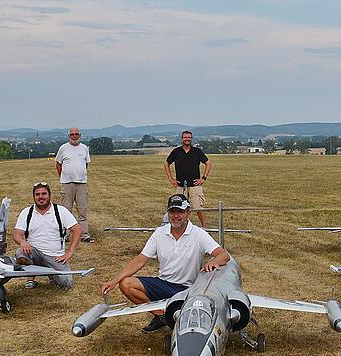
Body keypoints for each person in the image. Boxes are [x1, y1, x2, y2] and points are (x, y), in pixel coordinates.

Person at [101, 193, 230, 333]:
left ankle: (175, 314)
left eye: (180, 211)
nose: (176, 216)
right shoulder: (159, 233)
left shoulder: (199, 234)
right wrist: (114, 281)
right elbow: (140, 260)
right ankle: (163, 315)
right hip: (163, 283)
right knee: (126, 284)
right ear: (168, 213)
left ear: (188, 213)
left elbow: (223, 255)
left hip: (188, 289)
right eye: (172, 212)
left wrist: (214, 261)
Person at [13, 182, 83, 289]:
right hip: (34, 252)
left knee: (67, 284)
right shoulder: (26, 212)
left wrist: (69, 252)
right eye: (37, 194)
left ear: (49, 195)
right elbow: (17, 234)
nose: (41, 197)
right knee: (21, 253)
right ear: (34, 197)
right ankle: (30, 279)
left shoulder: (61, 211)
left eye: (44, 194)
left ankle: (53, 275)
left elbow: (77, 230)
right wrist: (23, 242)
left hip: (55, 257)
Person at [165, 130, 211, 227]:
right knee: (179, 208)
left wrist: (203, 178)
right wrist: (171, 179)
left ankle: (204, 228)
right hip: (180, 185)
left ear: (191, 139)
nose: (187, 139)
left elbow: (208, 163)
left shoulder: (197, 151)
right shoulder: (176, 151)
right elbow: (166, 164)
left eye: (189, 137)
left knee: (198, 208)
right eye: (185, 137)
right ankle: (181, 227)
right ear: (182, 139)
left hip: (195, 185)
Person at [56, 127, 93, 243]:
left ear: (80, 135)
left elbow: (86, 164)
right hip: (67, 184)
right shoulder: (63, 148)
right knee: (66, 210)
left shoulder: (84, 148)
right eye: (72, 134)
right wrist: (63, 177)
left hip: (81, 184)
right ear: (69, 136)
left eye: (76, 134)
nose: (74, 136)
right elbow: (58, 164)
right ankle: (65, 235)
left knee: (82, 210)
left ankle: (84, 234)